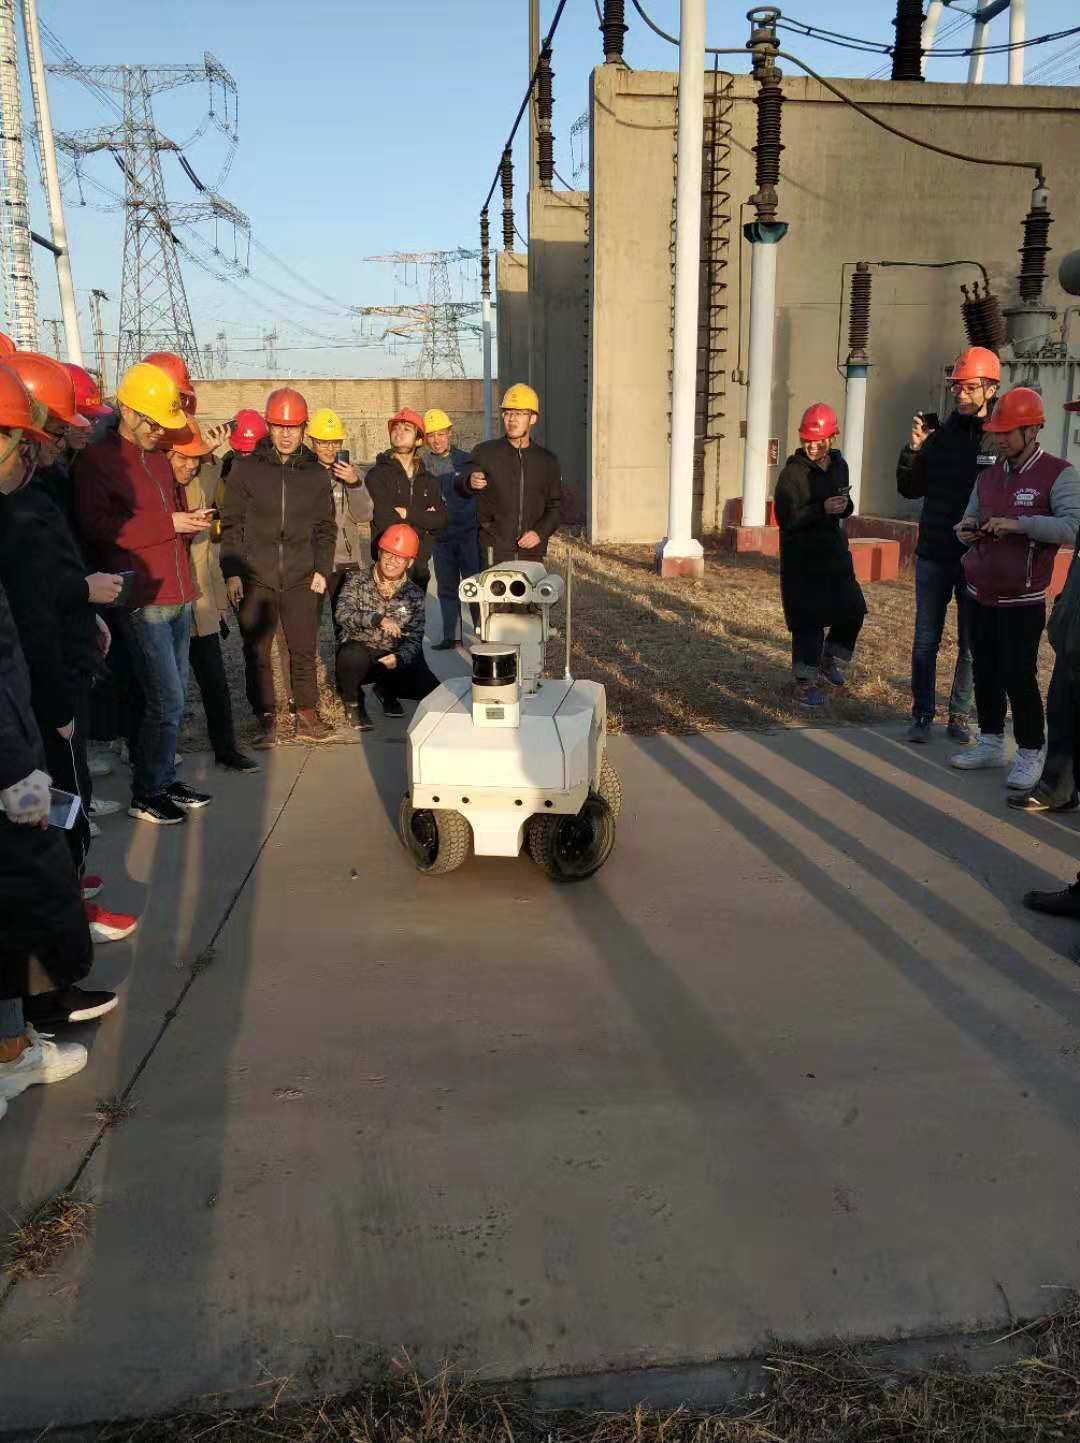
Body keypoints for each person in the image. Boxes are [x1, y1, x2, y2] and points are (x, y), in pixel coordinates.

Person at [0, 369, 115, 1083]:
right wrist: (48, 726)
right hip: (16, 746)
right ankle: (23, 1033)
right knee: (30, 864)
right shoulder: (15, 519)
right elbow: (26, 632)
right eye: (27, 442)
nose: (36, 455)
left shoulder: (26, 504)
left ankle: (18, 1032)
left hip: (22, 727)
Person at [0, 355, 137, 942]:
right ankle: (60, 924)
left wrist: (86, 610)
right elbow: (29, 626)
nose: (55, 446)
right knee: (49, 806)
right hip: (37, 706)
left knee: (57, 801)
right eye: (50, 435)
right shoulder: (18, 515)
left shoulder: (38, 494)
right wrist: (56, 709)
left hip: (47, 690)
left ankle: (67, 889)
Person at [74, 361, 214, 825]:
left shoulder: (158, 456)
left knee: (176, 698)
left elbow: (168, 516)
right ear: (129, 412)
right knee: (165, 700)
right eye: (153, 423)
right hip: (143, 597)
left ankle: (163, 778)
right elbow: (99, 528)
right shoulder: (99, 461)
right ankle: (147, 791)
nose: (159, 432)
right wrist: (168, 523)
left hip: (177, 590)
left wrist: (185, 523)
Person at [952, 386, 1080, 790]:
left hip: (1022, 598)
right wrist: (965, 531)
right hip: (979, 591)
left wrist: (1020, 525)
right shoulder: (988, 476)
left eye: (1008, 432)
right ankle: (990, 741)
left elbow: (1072, 527)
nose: (1001, 439)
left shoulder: (1059, 474)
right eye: (998, 432)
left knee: (1018, 673)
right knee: (985, 669)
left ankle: (1029, 749)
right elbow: (967, 518)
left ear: (1032, 430)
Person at [218, 387, 337, 747]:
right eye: (279, 426)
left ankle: (307, 713)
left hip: (302, 576)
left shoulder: (316, 474)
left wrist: (322, 569)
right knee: (257, 651)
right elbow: (232, 524)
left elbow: (325, 527)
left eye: (293, 427)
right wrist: (232, 572)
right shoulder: (245, 469)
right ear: (269, 427)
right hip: (256, 576)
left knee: (303, 648)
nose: (286, 434)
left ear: (303, 429)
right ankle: (266, 716)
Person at [897, 346, 1000, 745]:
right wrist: (914, 450)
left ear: (991, 389)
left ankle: (959, 716)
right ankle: (922, 714)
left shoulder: (999, 439)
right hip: (935, 553)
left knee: (971, 645)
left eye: (969, 387)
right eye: (957, 386)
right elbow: (910, 488)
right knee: (926, 639)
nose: (961, 394)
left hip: (977, 558)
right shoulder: (939, 437)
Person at [166, 418, 257, 774]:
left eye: (196, 458)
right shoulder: (156, 489)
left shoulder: (198, 487)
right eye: (183, 457)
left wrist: (218, 603)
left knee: (215, 681)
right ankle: (153, 753)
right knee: (165, 687)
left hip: (199, 600)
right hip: (164, 602)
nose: (190, 465)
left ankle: (226, 748)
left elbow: (206, 553)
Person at [774, 402, 867, 709]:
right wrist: (820, 509)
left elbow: (846, 504)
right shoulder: (792, 474)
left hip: (834, 552)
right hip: (802, 558)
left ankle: (830, 658)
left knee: (853, 609)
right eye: (807, 440)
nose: (812, 446)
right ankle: (804, 684)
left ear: (832, 437)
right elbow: (787, 519)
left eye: (819, 440)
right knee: (809, 622)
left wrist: (844, 506)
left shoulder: (840, 466)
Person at [335, 523, 439, 729]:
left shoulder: (414, 594)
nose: (392, 561)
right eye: (388, 554)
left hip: (392, 656)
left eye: (400, 557)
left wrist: (400, 657)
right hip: (361, 652)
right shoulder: (356, 580)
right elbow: (342, 614)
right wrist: (376, 619)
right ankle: (353, 701)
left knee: (432, 690)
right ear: (379, 553)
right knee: (351, 656)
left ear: (409, 562)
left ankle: (386, 691)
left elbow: (415, 637)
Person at [460, 383, 562, 565]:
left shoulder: (547, 461)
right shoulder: (485, 452)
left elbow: (555, 507)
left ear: (533, 418)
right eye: (507, 413)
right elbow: (461, 483)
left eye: (519, 413)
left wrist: (539, 533)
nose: (512, 419)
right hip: (493, 551)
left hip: (532, 553)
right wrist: (469, 481)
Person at [365, 408, 447, 594]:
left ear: (419, 440)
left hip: (419, 569)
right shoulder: (377, 475)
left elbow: (441, 520)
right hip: (388, 569)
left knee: (415, 614)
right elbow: (384, 518)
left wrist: (407, 513)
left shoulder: (428, 480)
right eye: (395, 428)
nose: (398, 432)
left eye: (406, 429)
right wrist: (424, 521)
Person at [306, 406, 373, 623]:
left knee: (347, 623)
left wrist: (354, 484)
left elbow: (364, 515)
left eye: (335, 442)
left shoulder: (354, 474)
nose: (329, 448)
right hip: (310, 561)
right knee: (307, 623)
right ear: (312, 442)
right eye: (323, 442)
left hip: (346, 562)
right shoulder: (302, 474)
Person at [425, 407, 479, 650]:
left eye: (441, 434)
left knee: (474, 586)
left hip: (468, 535)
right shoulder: (423, 466)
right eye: (431, 435)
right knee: (447, 588)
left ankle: (483, 633)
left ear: (449, 433)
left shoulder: (467, 461)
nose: (436, 440)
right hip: (441, 539)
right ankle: (452, 636)